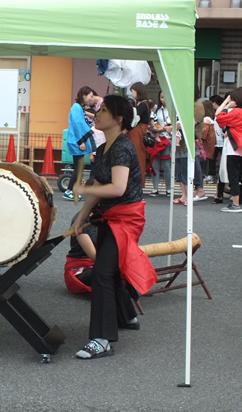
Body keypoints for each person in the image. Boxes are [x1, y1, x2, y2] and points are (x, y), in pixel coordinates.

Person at [71, 95, 156, 359]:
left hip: (126, 219)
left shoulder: (122, 147)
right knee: (110, 270)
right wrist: (82, 216)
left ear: (119, 119)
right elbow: (98, 186)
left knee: (102, 273)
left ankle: (102, 339)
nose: (97, 113)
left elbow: (118, 188)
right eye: (99, 108)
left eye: (104, 110)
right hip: (110, 216)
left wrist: (81, 189)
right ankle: (127, 316)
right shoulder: (106, 145)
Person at [216, 87, 242, 212]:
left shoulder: (235, 112)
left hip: (233, 149)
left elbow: (218, 116)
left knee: (233, 176)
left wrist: (226, 104)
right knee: (241, 174)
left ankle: (235, 204)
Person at [173, 86, 208, 205]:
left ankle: (196, 191)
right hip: (181, 140)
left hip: (190, 140)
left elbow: (191, 123)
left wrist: (172, 127)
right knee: (181, 169)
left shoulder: (197, 105)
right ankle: (184, 195)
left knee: (189, 168)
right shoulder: (186, 104)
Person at [63, 86, 96, 201]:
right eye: (90, 96)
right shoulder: (77, 107)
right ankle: (70, 190)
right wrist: (81, 141)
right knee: (78, 168)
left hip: (75, 140)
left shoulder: (77, 107)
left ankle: (71, 190)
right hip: (77, 141)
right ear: (84, 96)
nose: (91, 99)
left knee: (78, 167)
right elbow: (77, 125)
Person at [146, 91, 173, 197]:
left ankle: (169, 188)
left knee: (167, 166)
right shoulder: (157, 110)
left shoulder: (172, 110)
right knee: (155, 164)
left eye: (165, 97)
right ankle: (155, 188)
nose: (163, 99)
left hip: (166, 138)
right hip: (156, 137)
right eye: (161, 97)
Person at [64, 212, 97, 295]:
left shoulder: (114, 216)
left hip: (107, 262)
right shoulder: (80, 220)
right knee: (101, 276)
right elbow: (94, 256)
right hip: (83, 264)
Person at [127, 82, 150, 187]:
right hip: (137, 132)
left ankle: (138, 184)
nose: (132, 93)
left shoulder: (143, 104)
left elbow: (135, 118)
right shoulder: (141, 104)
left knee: (138, 157)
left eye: (133, 91)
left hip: (138, 133)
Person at [209, 95, 226, 204]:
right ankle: (219, 193)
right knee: (220, 167)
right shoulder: (218, 113)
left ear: (215, 103)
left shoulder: (221, 113)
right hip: (218, 142)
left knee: (222, 168)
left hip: (222, 142)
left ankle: (220, 193)